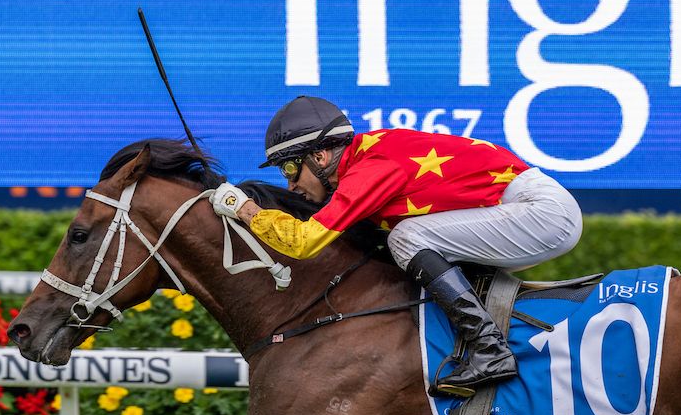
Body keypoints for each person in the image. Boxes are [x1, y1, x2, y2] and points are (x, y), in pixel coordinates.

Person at [210, 96, 582, 398]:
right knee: (404, 241)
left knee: (406, 237)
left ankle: (490, 349)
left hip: (542, 212)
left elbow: (303, 242)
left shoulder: (370, 169)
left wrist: (244, 209)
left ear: (319, 157)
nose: (290, 185)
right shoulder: (366, 159)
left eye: (290, 169)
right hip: (523, 209)